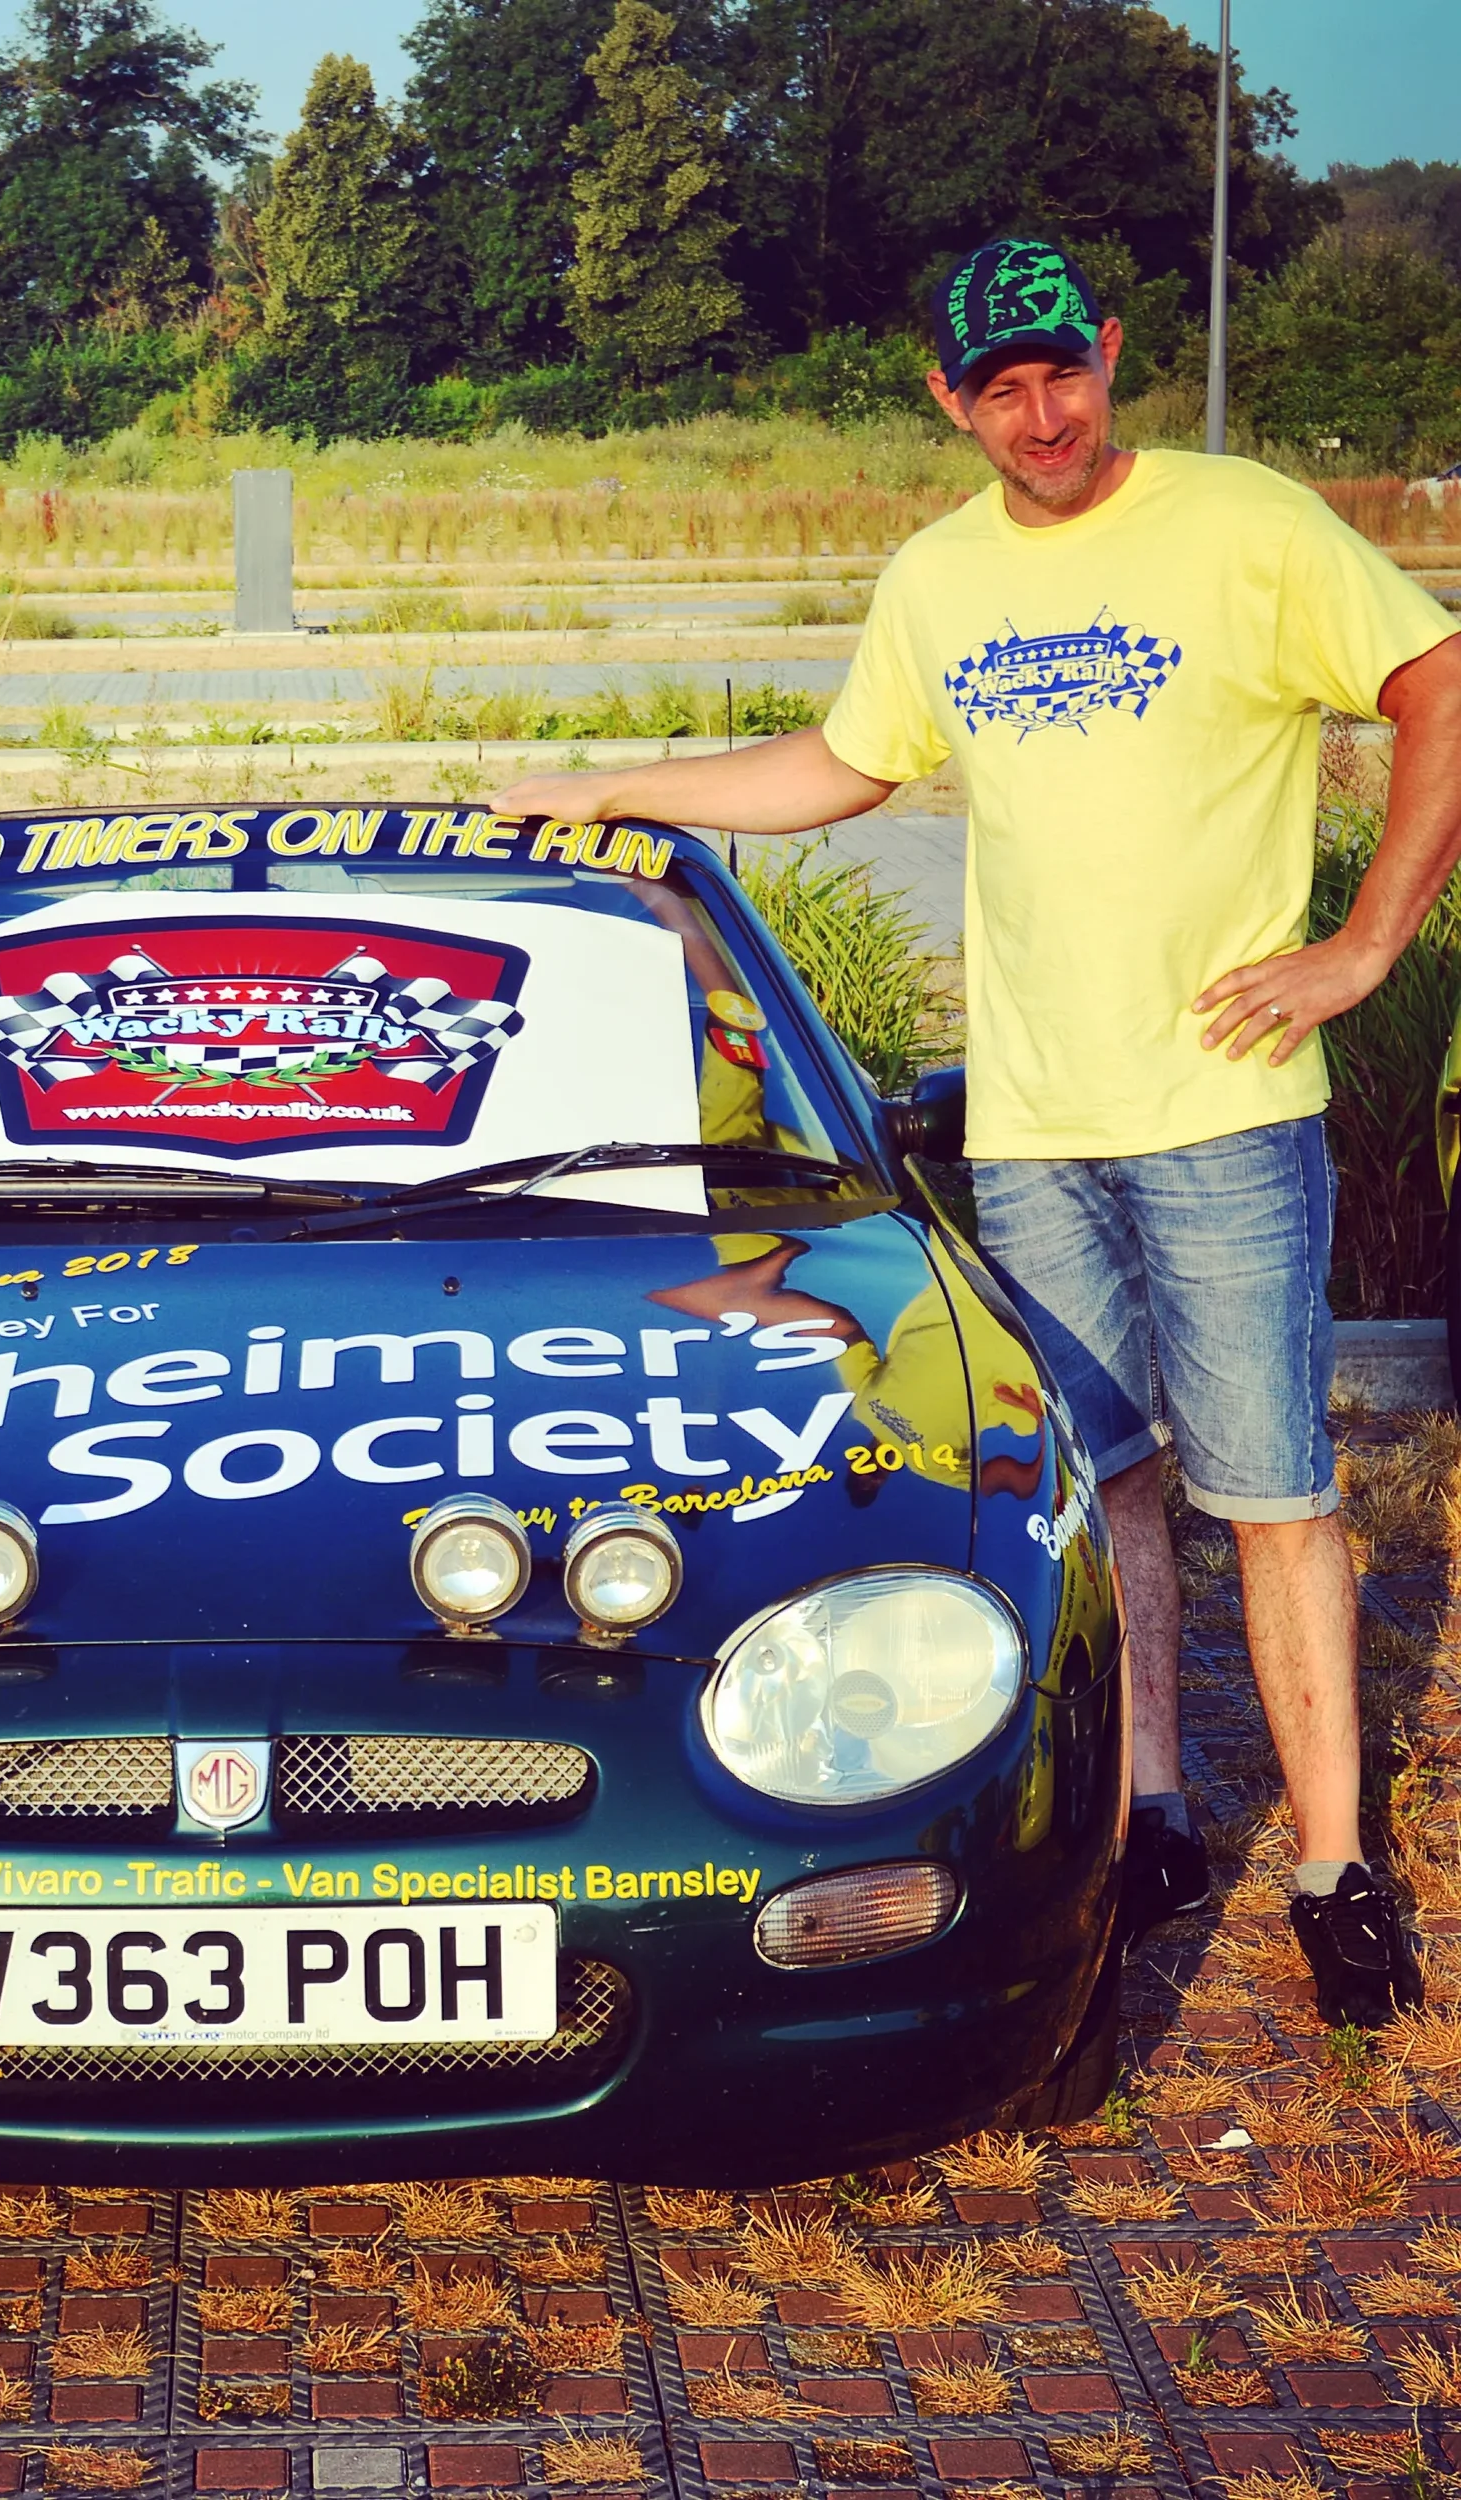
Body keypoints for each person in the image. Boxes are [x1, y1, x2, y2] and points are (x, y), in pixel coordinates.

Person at [501, 238, 1461, 2030]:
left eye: (1064, 373)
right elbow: (840, 768)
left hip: (1224, 1109)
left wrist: (1364, 945)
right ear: (950, 401)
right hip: (1029, 1129)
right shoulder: (940, 577)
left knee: (1274, 1493)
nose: (1042, 415)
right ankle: (1155, 1812)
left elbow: (1439, 683)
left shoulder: (1242, 524)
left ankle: (1337, 1865)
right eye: (998, 389)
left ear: (1111, 355)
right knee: (1109, 1491)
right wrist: (611, 788)